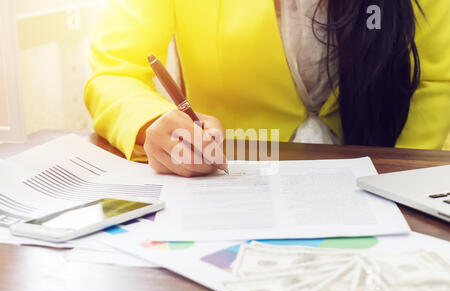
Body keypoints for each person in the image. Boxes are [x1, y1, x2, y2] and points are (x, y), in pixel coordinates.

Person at [85, 0, 450, 177]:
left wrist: (402, 179)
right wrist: (152, 123)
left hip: (379, 174)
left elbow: (436, 78)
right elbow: (114, 71)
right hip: (230, 182)